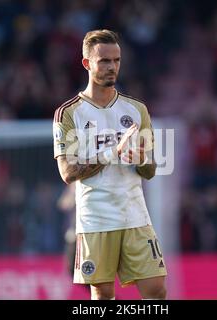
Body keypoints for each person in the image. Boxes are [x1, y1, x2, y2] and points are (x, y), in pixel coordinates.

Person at [53, 29, 167, 300]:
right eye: (104, 61)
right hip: (95, 218)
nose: (112, 67)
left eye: (116, 60)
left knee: (157, 289)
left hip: (134, 214)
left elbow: (150, 171)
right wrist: (111, 153)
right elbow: (67, 173)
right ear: (87, 63)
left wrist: (140, 158)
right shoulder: (68, 114)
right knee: (103, 295)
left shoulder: (136, 110)